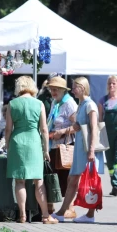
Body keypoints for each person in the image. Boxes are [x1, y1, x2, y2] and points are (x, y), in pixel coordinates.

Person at [5, 76, 58, 225]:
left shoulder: (12, 104)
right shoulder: (39, 103)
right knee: (38, 181)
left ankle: (22, 215)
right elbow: (44, 129)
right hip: (34, 142)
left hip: (17, 143)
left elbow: (8, 129)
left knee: (20, 181)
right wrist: (46, 150)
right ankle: (46, 215)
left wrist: (8, 147)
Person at [52, 77, 104, 223]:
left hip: (88, 148)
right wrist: (62, 132)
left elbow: (94, 129)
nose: (73, 89)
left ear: (83, 87)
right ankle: (85, 214)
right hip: (81, 148)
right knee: (73, 179)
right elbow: (77, 126)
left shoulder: (90, 105)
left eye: (75, 87)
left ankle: (70, 212)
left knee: (85, 180)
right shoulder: (82, 104)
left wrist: (92, 150)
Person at [45, 76, 78, 218]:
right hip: (54, 145)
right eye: (51, 89)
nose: (53, 92)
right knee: (53, 175)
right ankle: (50, 205)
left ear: (63, 90)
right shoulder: (55, 102)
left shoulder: (69, 103)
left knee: (66, 177)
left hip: (66, 145)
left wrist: (62, 132)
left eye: (56, 89)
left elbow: (78, 125)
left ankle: (70, 208)